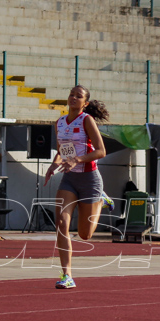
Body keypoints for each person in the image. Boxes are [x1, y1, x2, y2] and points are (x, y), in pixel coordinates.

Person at [44, 85, 112, 289]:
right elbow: (62, 151)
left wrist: (77, 159)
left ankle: (101, 199)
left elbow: (101, 151)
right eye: (71, 94)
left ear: (85, 103)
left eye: (78, 96)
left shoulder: (87, 120)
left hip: (90, 179)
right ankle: (67, 275)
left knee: (85, 235)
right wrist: (53, 165)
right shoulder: (60, 122)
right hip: (69, 180)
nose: (73, 97)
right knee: (62, 224)